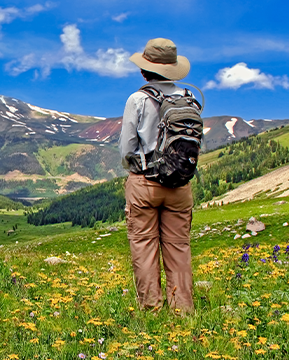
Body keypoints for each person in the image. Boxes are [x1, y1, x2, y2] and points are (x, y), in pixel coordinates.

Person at [119, 38, 194, 313]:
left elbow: (127, 147)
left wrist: (135, 168)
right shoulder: (189, 99)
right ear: (173, 69)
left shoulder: (138, 99)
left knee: (144, 246)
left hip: (145, 183)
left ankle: (152, 310)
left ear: (144, 70)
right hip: (180, 184)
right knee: (178, 247)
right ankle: (183, 311)